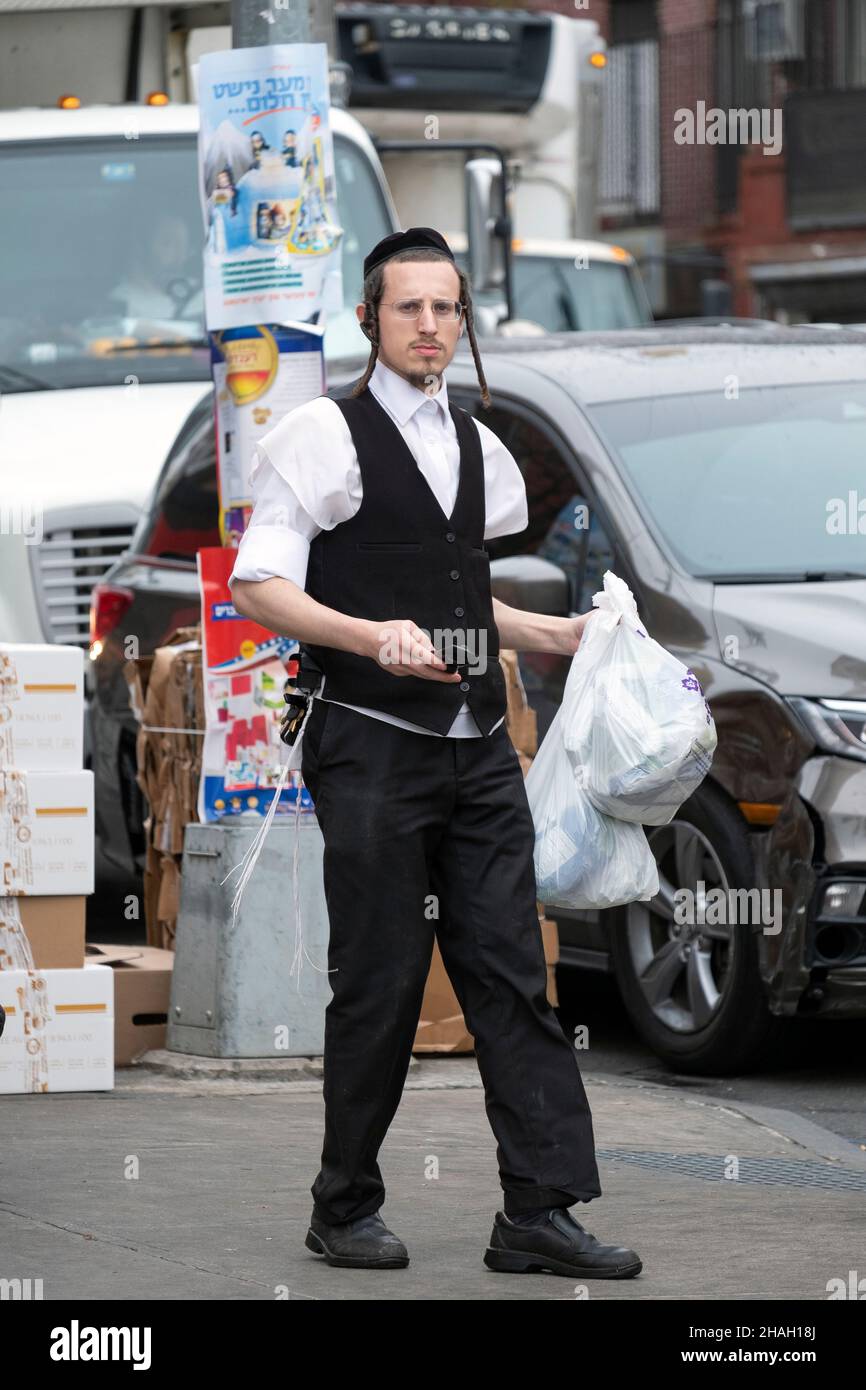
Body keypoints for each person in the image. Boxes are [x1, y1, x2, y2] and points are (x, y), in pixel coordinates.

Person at [228, 226, 642, 1281]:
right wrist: (370, 639)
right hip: (369, 748)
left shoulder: (474, 446)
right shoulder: (320, 435)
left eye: (445, 309)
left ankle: (537, 1212)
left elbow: (457, 592)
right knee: (378, 979)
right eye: (408, 308)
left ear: (463, 322)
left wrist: (548, 635)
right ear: (369, 320)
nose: (429, 326)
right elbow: (258, 584)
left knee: (512, 977)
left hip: (475, 753)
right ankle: (343, 1204)